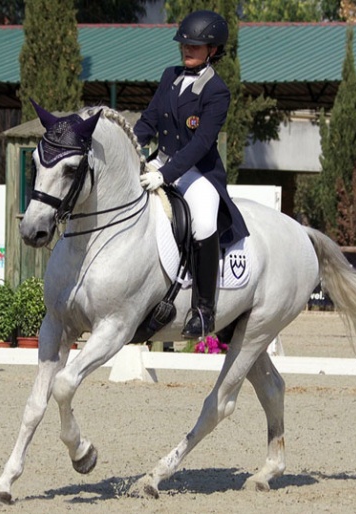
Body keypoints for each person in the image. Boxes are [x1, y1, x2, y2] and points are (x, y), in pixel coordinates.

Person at [134, 10, 249, 339]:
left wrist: (166, 174)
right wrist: (133, 143)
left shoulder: (217, 91)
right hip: (162, 162)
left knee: (203, 222)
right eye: (184, 44)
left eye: (196, 45)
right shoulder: (169, 75)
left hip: (198, 173)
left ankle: (203, 309)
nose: (187, 49)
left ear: (213, 49)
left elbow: (200, 143)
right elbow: (149, 120)